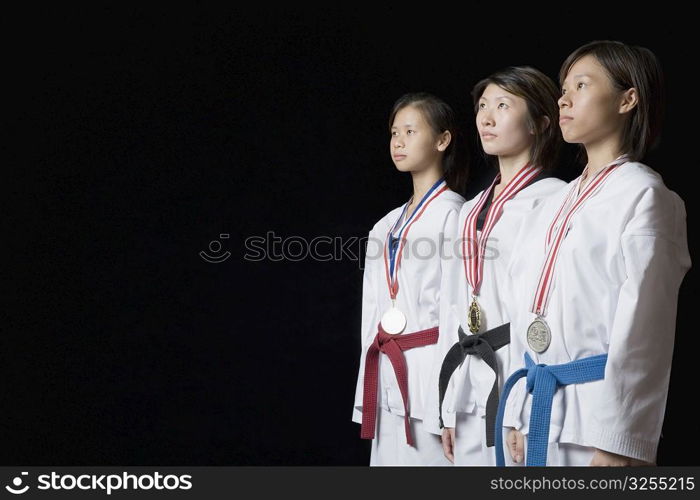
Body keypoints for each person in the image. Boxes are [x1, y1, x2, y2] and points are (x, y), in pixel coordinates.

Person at [495, 40, 691, 466]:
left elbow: (646, 330)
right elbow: (521, 306)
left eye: (580, 85)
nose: (564, 98)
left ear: (628, 98)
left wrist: (619, 441)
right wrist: (515, 412)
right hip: (537, 409)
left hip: (596, 423)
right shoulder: (551, 202)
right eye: (563, 89)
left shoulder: (645, 195)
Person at [423, 67, 565, 465]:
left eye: (503, 106)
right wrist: (445, 407)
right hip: (468, 382)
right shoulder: (468, 210)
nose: (486, 118)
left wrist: (525, 409)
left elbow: (547, 313)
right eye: (482, 107)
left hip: (518, 384)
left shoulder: (555, 199)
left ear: (540, 122)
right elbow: (451, 307)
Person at [352, 92, 467, 465]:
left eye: (410, 131)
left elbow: (459, 313)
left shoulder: (456, 215)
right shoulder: (384, 225)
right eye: (394, 133)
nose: (398, 142)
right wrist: (363, 396)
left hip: (431, 380)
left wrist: (450, 407)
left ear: (442, 139)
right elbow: (372, 314)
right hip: (385, 376)